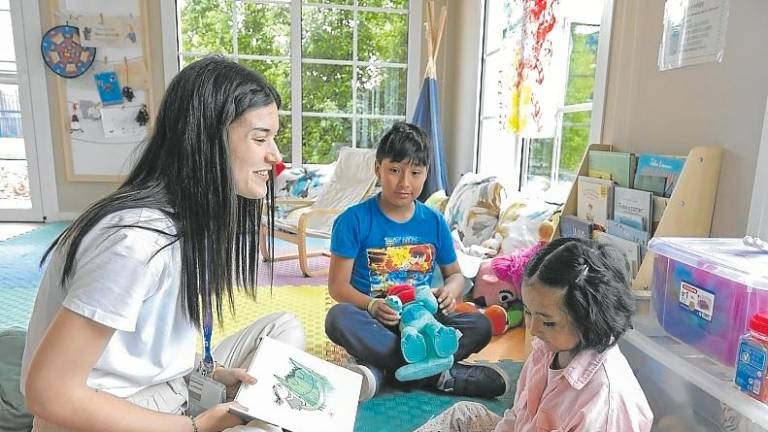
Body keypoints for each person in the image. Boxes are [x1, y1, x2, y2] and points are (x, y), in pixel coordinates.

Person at [21, 57, 306, 432]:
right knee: (268, 422)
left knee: (283, 329)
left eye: (274, 138)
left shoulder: (189, 220)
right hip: (100, 411)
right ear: (210, 140)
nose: (276, 156)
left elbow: (143, 346)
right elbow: (48, 394)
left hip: (169, 386)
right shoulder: (134, 241)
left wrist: (213, 372)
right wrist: (196, 426)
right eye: (260, 138)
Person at [324, 122, 510, 402]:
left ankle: (386, 371)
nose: (404, 183)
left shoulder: (433, 221)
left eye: (415, 173)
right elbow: (338, 288)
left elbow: (456, 275)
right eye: (394, 170)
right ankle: (439, 374)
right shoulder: (353, 220)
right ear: (378, 169)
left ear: (426, 174)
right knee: (338, 318)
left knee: (480, 325)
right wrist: (373, 305)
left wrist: (450, 291)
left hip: (423, 321)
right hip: (376, 323)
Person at [413, 237, 653, 432]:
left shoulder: (604, 407)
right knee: (463, 414)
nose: (534, 330)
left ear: (589, 321)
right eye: (528, 312)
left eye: (548, 322)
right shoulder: (547, 349)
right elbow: (518, 416)